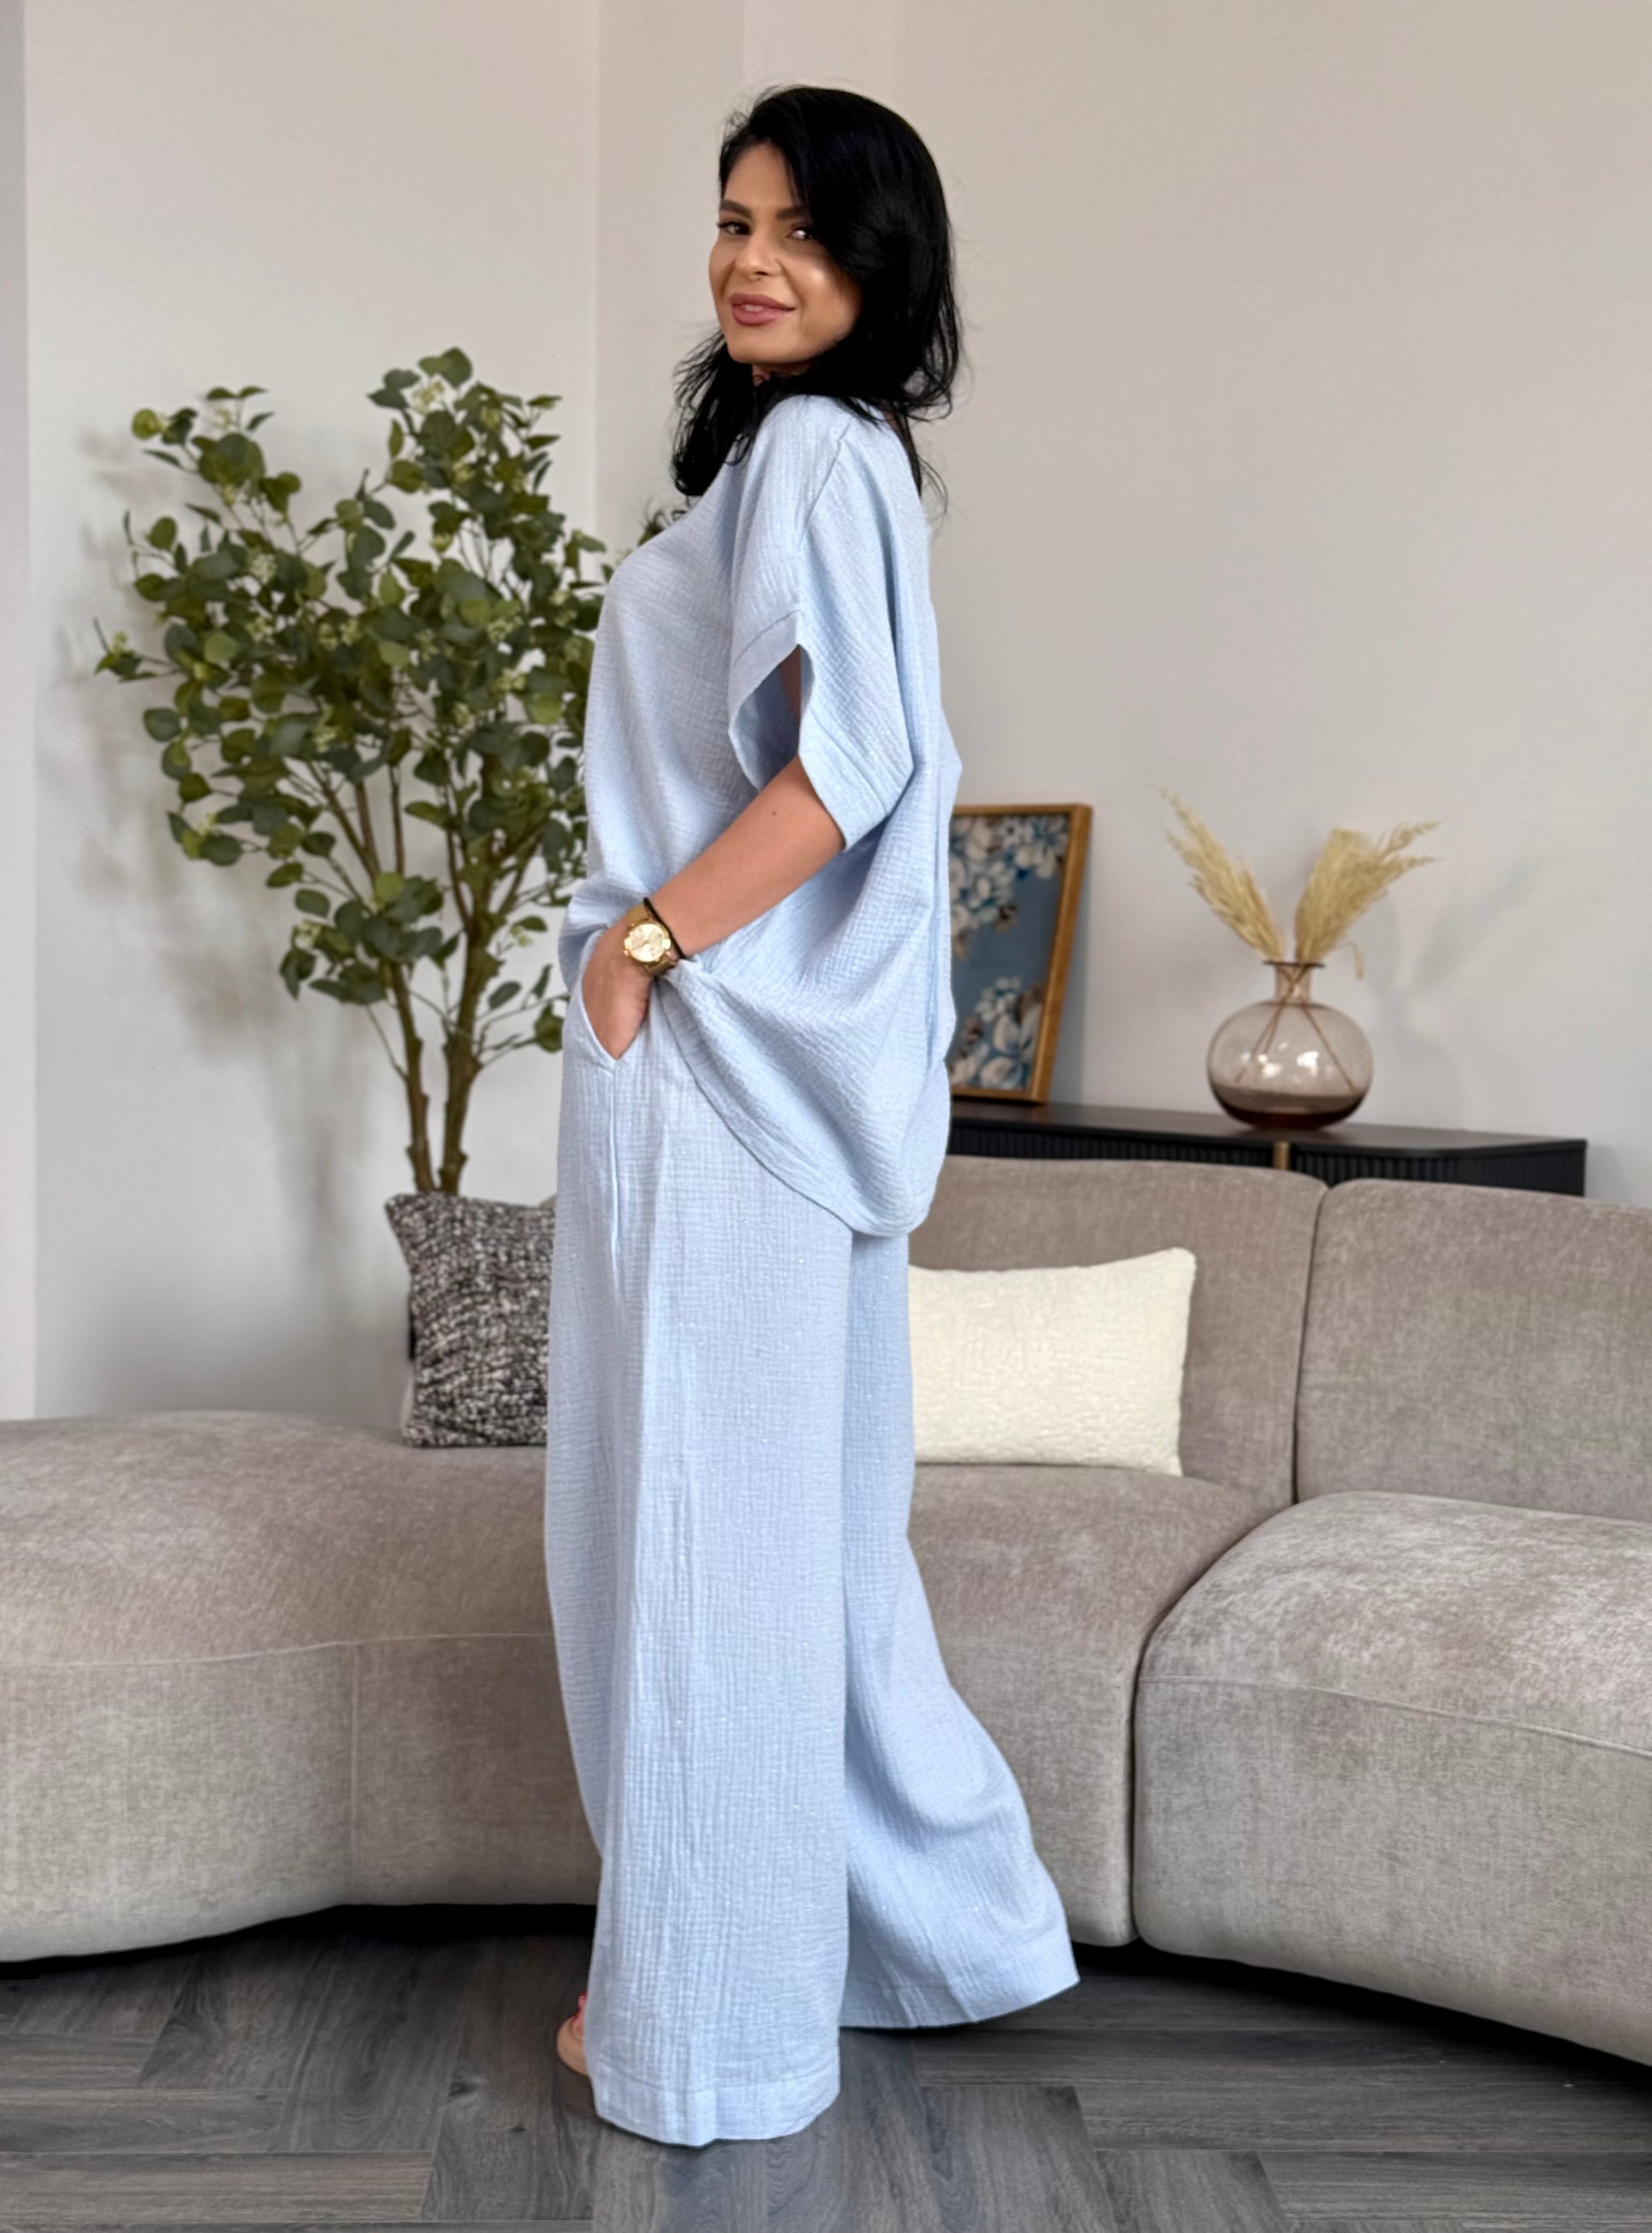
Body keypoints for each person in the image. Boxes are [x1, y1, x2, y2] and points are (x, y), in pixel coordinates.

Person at [544, 83, 1079, 2149]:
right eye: (734, 218)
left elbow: (843, 768)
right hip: (767, 1076)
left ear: (881, 264)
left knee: (694, 1551)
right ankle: (868, 1948)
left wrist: (642, 946)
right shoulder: (818, 457)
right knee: (791, 1552)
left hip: (717, 1071)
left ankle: (705, 2018)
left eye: (801, 230)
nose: (751, 260)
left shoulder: (812, 453)